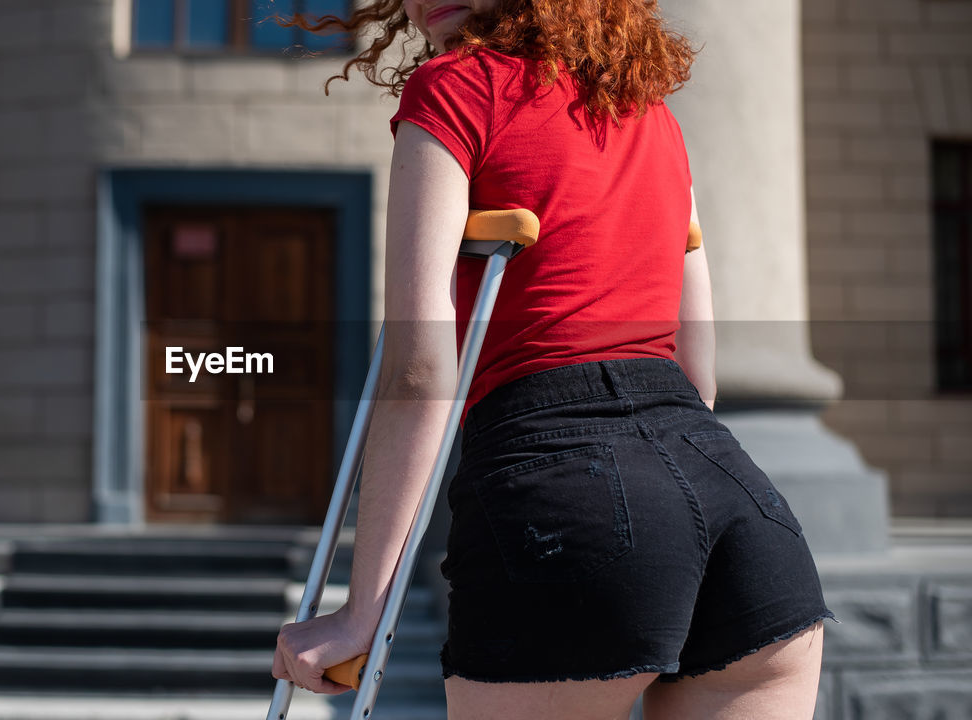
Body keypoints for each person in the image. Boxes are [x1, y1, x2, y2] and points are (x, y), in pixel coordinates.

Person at [271, 1, 834, 718]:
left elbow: (419, 369)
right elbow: (701, 372)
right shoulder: (648, 109)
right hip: (742, 515)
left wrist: (363, 612)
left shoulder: (454, 86)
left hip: (561, 494)